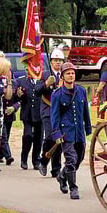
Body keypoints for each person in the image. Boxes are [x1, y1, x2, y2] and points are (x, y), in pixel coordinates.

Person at [50, 62, 91, 200]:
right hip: (66, 132)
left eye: (72, 73)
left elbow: (86, 111)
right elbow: (54, 115)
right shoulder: (57, 94)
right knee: (71, 159)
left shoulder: (81, 91)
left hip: (79, 131)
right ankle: (73, 188)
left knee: (79, 157)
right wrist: (56, 133)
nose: (71, 75)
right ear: (62, 76)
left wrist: (88, 127)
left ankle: (62, 176)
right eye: (68, 73)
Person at [38, 48, 65, 178]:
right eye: (55, 60)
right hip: (48, 109)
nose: (58, 63)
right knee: (50, 137)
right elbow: (36, 91)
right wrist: (46, 84)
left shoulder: (65, 75)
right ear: (51, 61)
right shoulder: (44, 74)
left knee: (58, 139)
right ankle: (43, 161)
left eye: (60, 60)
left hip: (61, 111)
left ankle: (56, 169)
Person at [15, 66, 45, 171]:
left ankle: (36, 160)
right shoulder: (21, 81)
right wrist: (18, 95)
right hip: (27, 114)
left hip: (39, 113)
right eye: (27, 70)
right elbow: (16, 97)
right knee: (27, 136)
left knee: (38, 138)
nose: (28, 72)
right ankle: (24, 159)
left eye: (30, 70)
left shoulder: (42, 80)